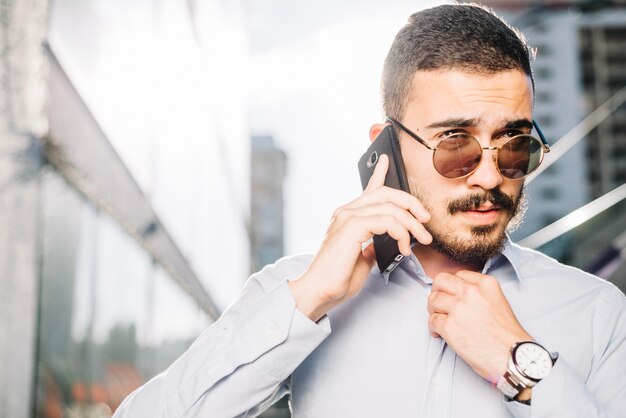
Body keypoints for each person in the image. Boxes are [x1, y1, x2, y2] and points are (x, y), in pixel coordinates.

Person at [114, 4, 626, 417]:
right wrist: (308, 300)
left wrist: (522, 369)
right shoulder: (296, 292)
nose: (491, 176)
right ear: (385, 149)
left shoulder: (599, 313)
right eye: (455, 144)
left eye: (514, 145)